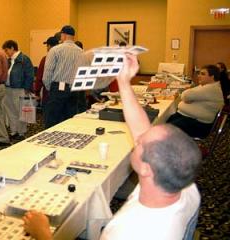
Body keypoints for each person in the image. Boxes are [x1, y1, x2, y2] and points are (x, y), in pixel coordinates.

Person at [23, 54, 202, 240]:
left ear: (146, 168)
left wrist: (42, 233)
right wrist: (123, 81)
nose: (138, 137)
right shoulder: (186, 188)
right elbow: (141, 128)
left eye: (141, 143)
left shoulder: (128, 232)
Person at [167, 65, 224, 138]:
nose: (199, 76)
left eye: (203, 74)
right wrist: (188, 99)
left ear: (212, 76)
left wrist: (187, 100)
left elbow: (185, 95)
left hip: (199, 125)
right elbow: (189, 95)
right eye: (199, 73)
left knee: (166, 129)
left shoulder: (210, 89)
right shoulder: (208, 86)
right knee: (166, 120)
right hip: (191, 119)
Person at [42, 25, 83, 128]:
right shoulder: (81, 52)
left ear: (63, 35)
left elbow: (47, 73)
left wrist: (50, 88)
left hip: (58, 89)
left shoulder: (55, 50)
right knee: (69, 121)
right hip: (74, 90)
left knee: (52, 121)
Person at [2, 40, 34, 140]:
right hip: (8, 89)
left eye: (6, 50)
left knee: (21, 112)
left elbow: (30, 75)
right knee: (10, 111)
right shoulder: (8, 60)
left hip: (19, 89)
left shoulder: (24, 59)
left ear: (12, 48)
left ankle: (21, 132)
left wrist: (27, 88)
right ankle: (13, 131)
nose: (5, 52)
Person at [34, 36, 59, 123]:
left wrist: (36, 92)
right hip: (60, 91)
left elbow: (40, 77)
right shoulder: (61, 58)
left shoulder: (45, 59)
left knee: (48, 117)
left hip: (48, 92)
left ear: (49, 46)